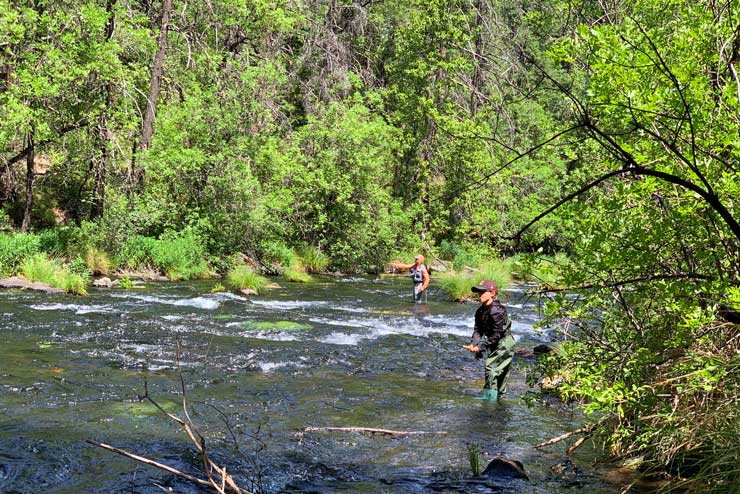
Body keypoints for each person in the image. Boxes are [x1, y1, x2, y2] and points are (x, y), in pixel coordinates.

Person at [463, 280, 515, 401]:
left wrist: (481, 347)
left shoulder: (497, 311)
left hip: (504, 343)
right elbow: (478, 330)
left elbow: (497, 334)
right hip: (495, 343)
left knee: (491, 369)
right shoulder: (480, 311)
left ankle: (489, 404)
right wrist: (473, 343)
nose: (479, 295)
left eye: (482, 292)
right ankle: (498, 402)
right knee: (498, 373)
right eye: (478, 292)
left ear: (492, 293)